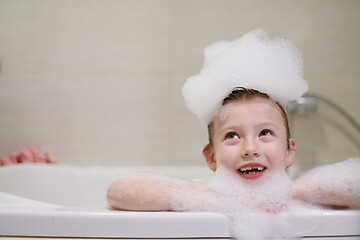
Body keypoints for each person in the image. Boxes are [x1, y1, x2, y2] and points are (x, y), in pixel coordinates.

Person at [107, 29, 360, 211]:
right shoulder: (205, 199)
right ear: (211, 157)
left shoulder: (302, 195)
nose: (250, 149)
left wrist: (289, 192)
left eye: (265, 133)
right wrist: (217, 197)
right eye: (232, 136)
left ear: (289, 151)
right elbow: (119, 192)